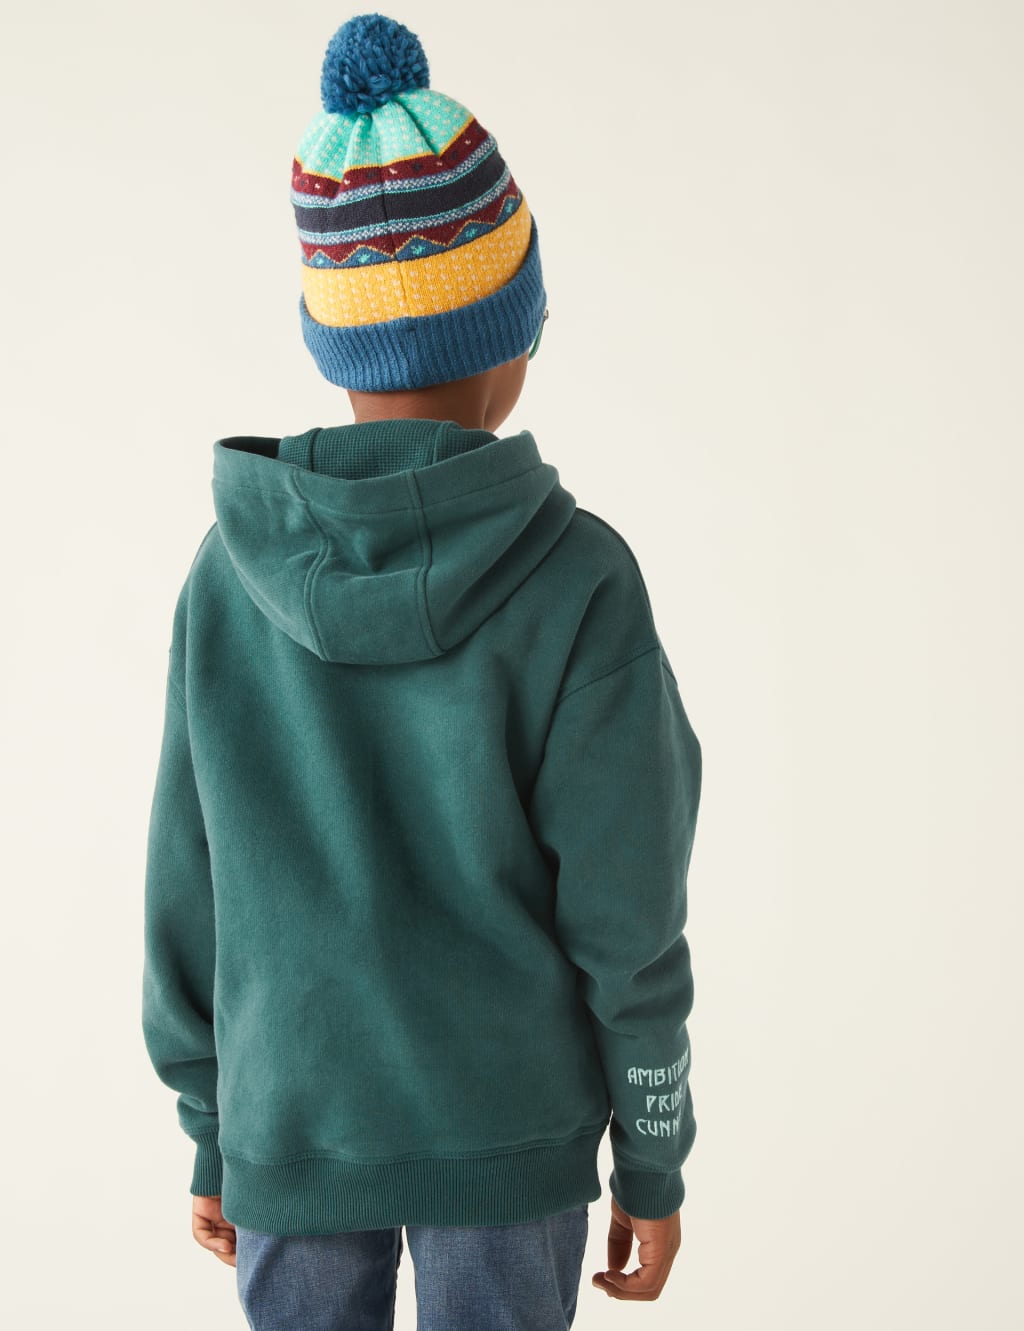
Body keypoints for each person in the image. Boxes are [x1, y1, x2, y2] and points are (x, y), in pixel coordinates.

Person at [141, 12, 702, 1327]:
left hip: (290, 1126)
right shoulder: (580, 579)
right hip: (510, 1135)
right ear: (516, 329)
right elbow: (627, 913)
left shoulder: (226, 577)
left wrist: (214, 1126)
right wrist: (654, 1150)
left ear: (330, 340)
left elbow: (187, 882)